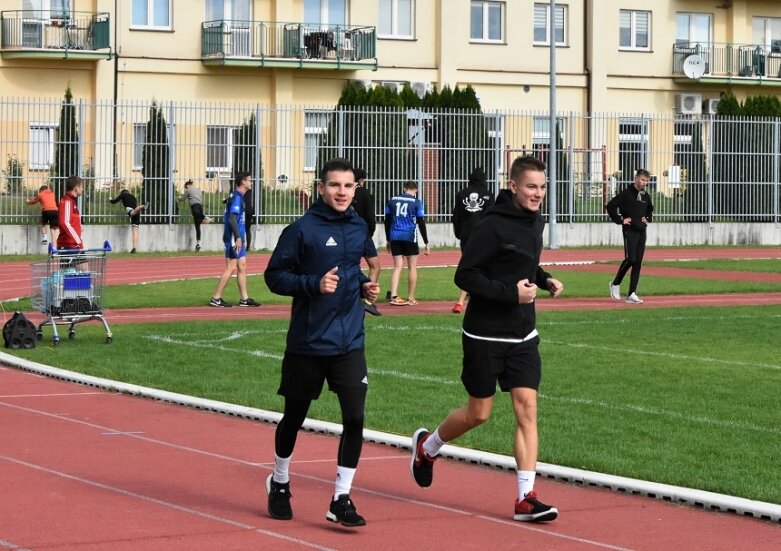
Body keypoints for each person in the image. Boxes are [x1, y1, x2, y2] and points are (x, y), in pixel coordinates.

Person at [410, 156, 563, 523]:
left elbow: (524, 263)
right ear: (513, 186)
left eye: (542, 187)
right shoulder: (489, 226)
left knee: (527, 409)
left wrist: (543, 279)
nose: (538, 194)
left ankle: (526, 497)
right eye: (531, 187)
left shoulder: (536, 221)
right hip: (484, 334)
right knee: (478, 413)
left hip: (524, 333)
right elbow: (466, 276)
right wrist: (512, 294)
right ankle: (427, 448)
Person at [264, 158, 380, 527]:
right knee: (294, 417)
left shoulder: (359, 225)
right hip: (309, 343)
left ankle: (341, 498)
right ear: (321, 188)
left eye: (348, 186)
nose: (342, 192)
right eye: (335, 186)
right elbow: (275, 276)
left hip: (349, 341)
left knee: (356, 417)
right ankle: (279, 481)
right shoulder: (302, 229)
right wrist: (313, 284)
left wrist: (363, 284)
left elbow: (348, 267)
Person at [208, 172, 261, 308]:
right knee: (231, 267)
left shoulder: (236, 196)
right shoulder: (237, 197)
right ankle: (216, 298)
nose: (251, 182)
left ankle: (244, 299)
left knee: (242, 266)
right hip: (234, 238)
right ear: (243, 182)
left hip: (239, 237)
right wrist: (237, 237)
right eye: (250, 180)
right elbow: (232, 218)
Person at [451, 167, 495, 314]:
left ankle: (472, 297)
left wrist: (458, 233)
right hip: (483, 235)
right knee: (478, 267)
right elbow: (492, 218)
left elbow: (456, 216)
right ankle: (460, 302)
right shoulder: (489, 196)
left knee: (470, 264)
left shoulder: (461, 194)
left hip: (466, 235)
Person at [606, 169, 654, 304]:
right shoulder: (626, 194)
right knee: (630, 259)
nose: (644, 183)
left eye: (646, 181)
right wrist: (620, 220)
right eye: (642, 180)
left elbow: (650, 208)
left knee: (638, 262)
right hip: (629, 231)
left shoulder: (645, 195)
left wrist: (648, 218)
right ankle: (615, 283)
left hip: (641, 231)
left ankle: (632, 293)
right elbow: (611, 206)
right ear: (636, 178)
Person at [384, 180, 429, 306]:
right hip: (410, 236)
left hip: (395, 236)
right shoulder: (416, 202)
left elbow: (387, 220)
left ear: (404, 188)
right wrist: (426, 241)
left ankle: (393, 295)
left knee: (398, 267)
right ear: (416, 190)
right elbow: (421, 222)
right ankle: (411, 298)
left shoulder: (392, 200)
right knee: (412, 267)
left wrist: (388, 239)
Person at [351, 167, 382, 316]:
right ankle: (368, 301)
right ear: (362, 180)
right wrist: (370, 232)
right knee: (375, 267)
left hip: (348, 235)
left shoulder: (348, 193)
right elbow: (370, 216)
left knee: (351, 266)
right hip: (363, 234)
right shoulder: (364, 193)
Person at [109, 189, 148, 254]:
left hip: (131, 210)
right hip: (137, 212)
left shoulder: (123, 194)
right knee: (135, 230)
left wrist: (110, 199)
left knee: (133, 212)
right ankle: (134, 248)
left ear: (123, 192)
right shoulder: (133, 197)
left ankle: (143, 206)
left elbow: (114, 201)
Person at [181, 180, 212, 252]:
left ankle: (206, 218)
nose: (186, 189)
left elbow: (183, 198)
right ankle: (198, 244)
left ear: (187, 185)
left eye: (185, 187)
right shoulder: (198, 190)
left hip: (194, 206)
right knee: (197, 225)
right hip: (200, 206)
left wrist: (179, 198)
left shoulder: (188, 190)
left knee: (197, 219)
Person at [57, 176, 84, 250]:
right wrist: (78, 240)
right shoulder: (67, 201)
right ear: (76, 188)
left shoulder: (71, 201)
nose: (82, 189)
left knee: (84, 262)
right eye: (81, 187)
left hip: (73, 244)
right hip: (68, 244)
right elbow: (65, 223)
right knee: (83, 262)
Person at [244, 185, 256, 250]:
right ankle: (247, 247)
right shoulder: (251, 193)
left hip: (246, 212)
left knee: (246, 230)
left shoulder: (245, 192)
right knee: (247, 230)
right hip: (249, 211)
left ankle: (247, 246)